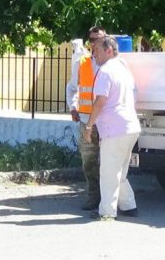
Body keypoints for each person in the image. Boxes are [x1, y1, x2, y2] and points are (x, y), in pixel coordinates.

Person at [84, 35, 141, 221]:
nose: (94, 55)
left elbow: (100, 101)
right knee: (120, 171)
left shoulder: (106, 70)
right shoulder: (123, 68)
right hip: (130, 126)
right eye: (93, 52)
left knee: (108, 172)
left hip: (114, 129)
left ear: (109, 50)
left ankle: (107, 212)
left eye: (98, 51)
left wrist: (89, 125)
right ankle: (128, 205)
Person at [66, 26, 106, 210]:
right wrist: (73, 107)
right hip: (85, 120)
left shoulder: (112, 63)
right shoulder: (82, 63)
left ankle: (109, 199)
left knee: (108, 162)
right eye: (92, 39)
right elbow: (73, 88)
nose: (95, 42)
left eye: (99, 39)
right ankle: (93, 197)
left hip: (107, 121)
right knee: (88, 162)